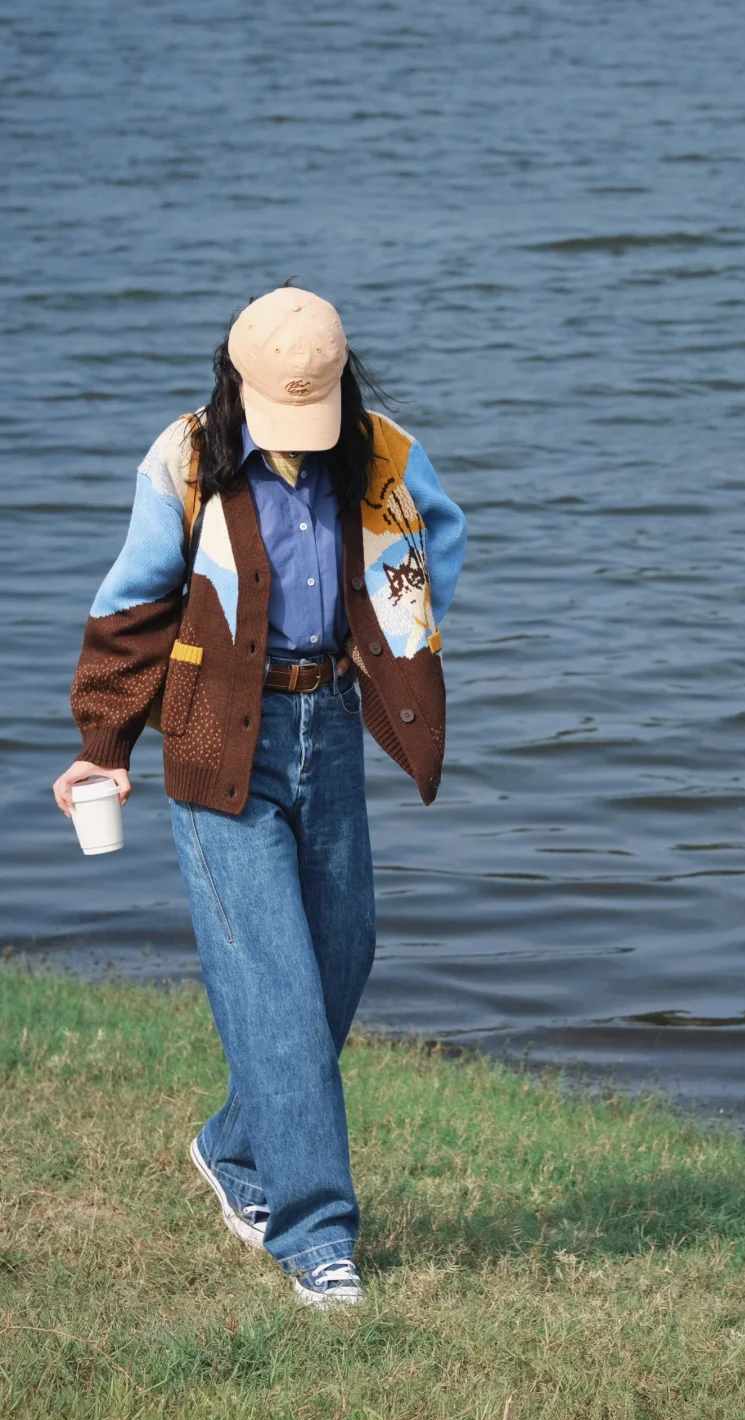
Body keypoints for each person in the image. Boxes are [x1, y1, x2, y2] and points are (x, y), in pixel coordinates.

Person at [53, 285, 467, 1308]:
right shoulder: (189, 458)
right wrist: (104, 744)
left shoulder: (380, 455)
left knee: (342, 956)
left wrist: (393, 644)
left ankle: (236, 1146)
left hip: (328, 725)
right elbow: (132, 607)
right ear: (237, 379)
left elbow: (439, 539)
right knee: (275, 986)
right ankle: (316, 1238)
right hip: (213, 737)